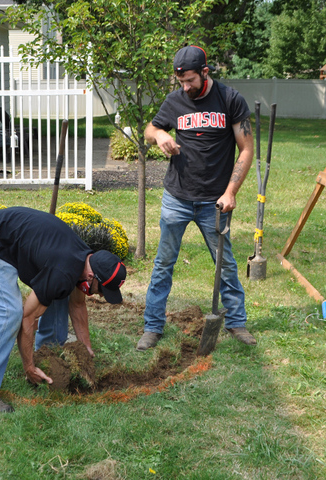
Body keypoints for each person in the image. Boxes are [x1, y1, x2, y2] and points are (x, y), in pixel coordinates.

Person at [138, 45, 256, 351]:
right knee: (164, 263)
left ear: (205, 72)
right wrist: (161, 135)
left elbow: (246, 148)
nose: (186, 87)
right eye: (181, 82)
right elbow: (150, 128)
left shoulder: (230, 100)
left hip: (214, 201)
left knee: (225, 264)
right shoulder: (175, 100)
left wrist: (230, 192)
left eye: (190, 80)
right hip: (177, 197)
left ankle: (236, 322)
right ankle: (152, 326)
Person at [0, 206, 127, 413]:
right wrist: (28, 367)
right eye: (102, 290)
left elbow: (77, 304)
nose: (101, 295)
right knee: (9, 312)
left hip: (10, 237)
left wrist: (86, 350)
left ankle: (48, 360)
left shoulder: (84, 260)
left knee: (60, 293)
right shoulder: (63, 270)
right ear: (91, 277)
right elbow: (28, 318)